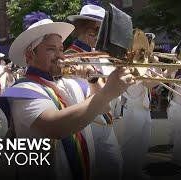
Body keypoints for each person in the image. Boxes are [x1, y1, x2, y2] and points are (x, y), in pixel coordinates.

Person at [0, 12, 135, 180]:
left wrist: (93, 80)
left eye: (61, 49)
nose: (60, 55)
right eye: (51, 49)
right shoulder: (23, 90)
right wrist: (107, 91)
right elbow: (56, 126)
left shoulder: (69, 82)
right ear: (30, 55)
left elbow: (103, 108)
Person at [66, 4, 123, 179]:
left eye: (100, 33)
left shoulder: (98, 54)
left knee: (115, 168)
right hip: (89, 123)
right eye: (92, 32)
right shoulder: (70, 56)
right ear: (80, 30)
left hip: (105, 119)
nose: (97, 37)